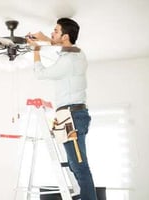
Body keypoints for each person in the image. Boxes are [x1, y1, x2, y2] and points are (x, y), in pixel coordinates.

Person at [27, 18, 97, 200]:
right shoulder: (76, 54)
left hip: (71, 116)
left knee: (80, 166)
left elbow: (39, 73)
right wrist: (45, 40)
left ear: (65, 36)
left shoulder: (68, 61)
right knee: (75, 166)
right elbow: (64, 48)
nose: (52, 33)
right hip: (71, 115)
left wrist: (36, 50)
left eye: (56, 31)